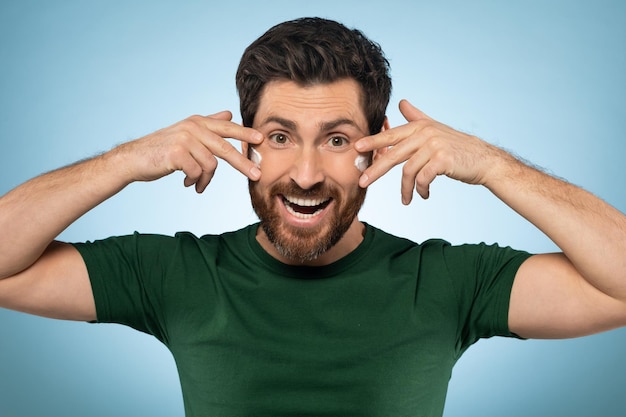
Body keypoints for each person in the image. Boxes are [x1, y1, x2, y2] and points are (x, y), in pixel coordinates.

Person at [0, 16, 625, 417]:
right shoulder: (176, 272)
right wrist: (129, 159)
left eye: (335, 139)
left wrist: (493, 165)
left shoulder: (446, 281)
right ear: (245, 145)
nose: (304, 174)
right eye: (279, 137)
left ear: (378, 145)